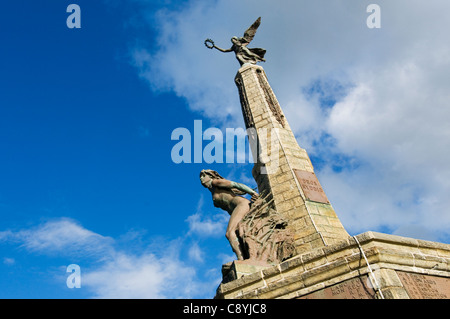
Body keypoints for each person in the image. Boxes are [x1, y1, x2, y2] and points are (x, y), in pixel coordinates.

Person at [199, 169, 259, 260]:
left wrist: (253, 193)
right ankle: (248, 256)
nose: (201, 179)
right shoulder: (212, 192)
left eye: (203, 176)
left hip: (241, 204)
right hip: (237, 209)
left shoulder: (216, 182)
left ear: (210, 176)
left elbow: (236, 185)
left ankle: (241, 259)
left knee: (230, 233)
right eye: (200, 177)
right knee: (238, 233)